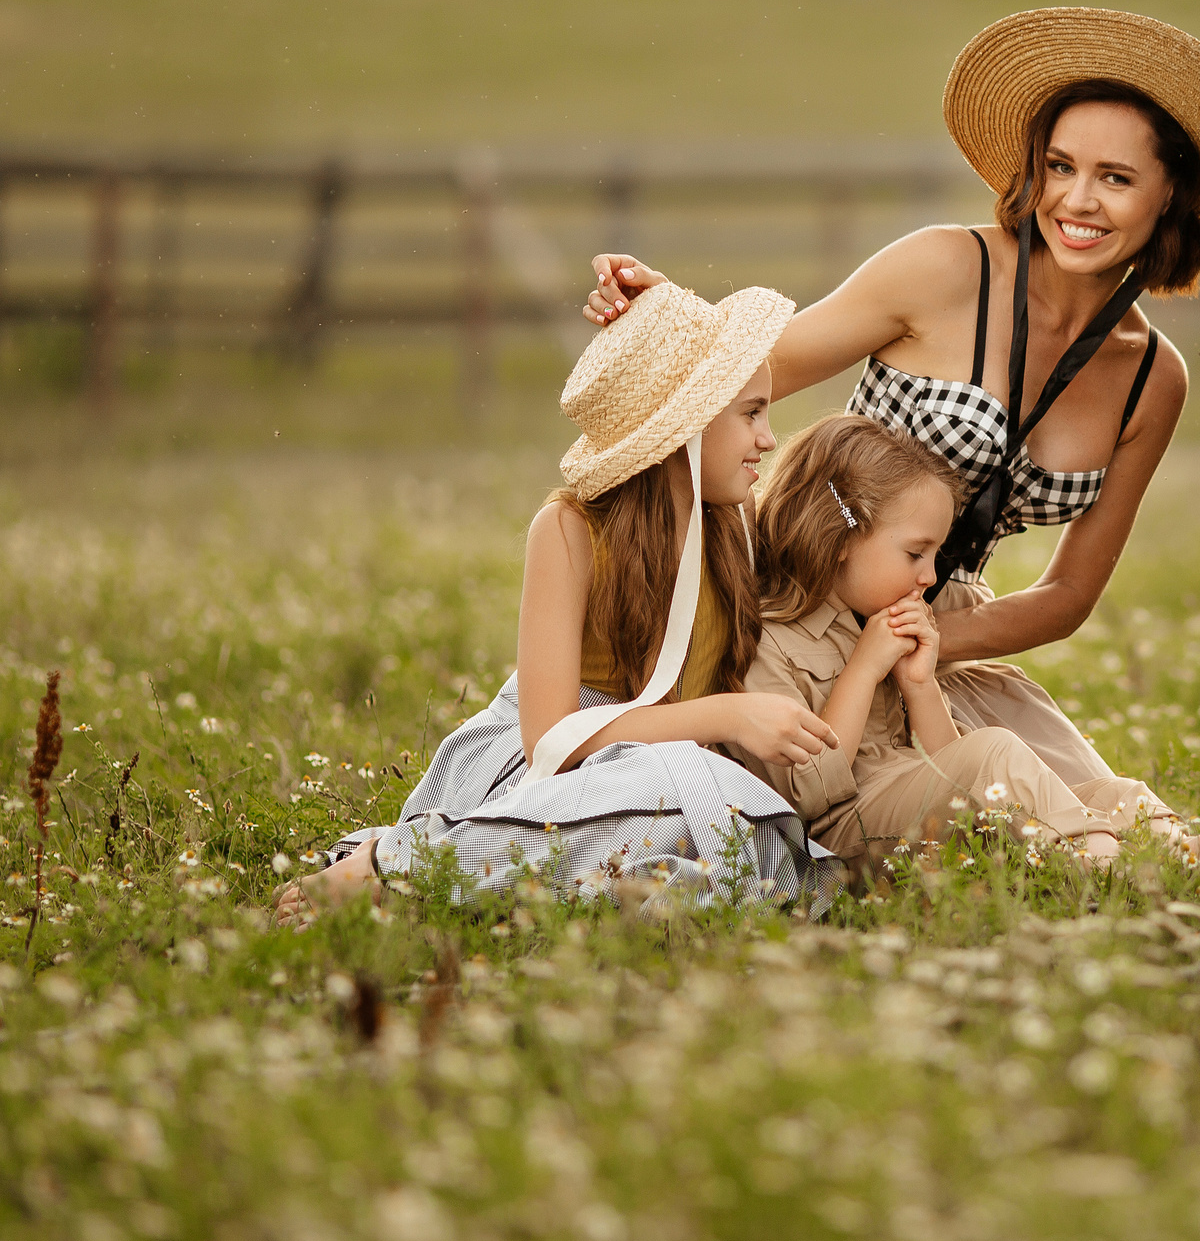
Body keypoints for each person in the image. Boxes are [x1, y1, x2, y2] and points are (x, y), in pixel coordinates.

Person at [583, 7, 1200, 790]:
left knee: (1105, 815)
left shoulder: (1154, 377)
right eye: (1059, 167)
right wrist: (662, 317)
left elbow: (1068, 592)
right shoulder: (945, 269)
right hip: (800, 601)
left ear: (1168, 198)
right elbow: (754, 369)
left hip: (939, 630)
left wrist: (929, 640)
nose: (1077, 201)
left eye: (1115, 179)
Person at [275, 283, 844, 923]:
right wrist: (728, 717)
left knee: (746, 834)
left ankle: (437, 873)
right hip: (559, 768)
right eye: (752, 414)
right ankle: (403, 867)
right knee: (656, 790)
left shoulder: (735, 526)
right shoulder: (572, 531)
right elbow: (550, 739)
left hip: (670, 783)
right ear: (688, 419)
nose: (770, 439)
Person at [740, 414, 1200, 881]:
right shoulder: (769, 635)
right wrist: (862, 670)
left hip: (915, 810)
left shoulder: (875, 621)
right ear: (840, 537)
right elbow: (805, 795)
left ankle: (1175, 853)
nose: (929, 575)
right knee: (997, 752)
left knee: (1110, 792)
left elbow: (952, 765)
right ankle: (1112, 876)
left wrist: (919, 684)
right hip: (843, 837)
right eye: (915, 553)